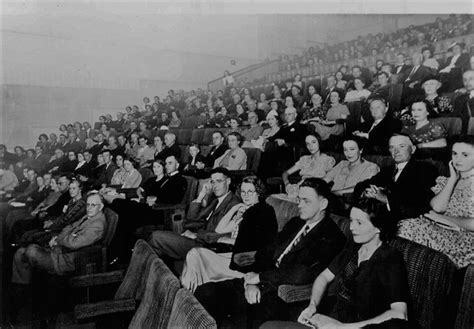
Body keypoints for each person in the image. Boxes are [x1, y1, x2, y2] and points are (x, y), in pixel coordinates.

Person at [194, 178, 346, 328]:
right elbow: (268, 251)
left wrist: (259, 279)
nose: (299, 205)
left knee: (233, 320)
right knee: (203, 292)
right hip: (261, 282)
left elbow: (301, 273)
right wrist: (252, 279)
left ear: (323, 204)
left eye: (306, 201)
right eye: (299, 199)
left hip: (281, 295)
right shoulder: (296, 223)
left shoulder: (332, 236)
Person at [264, 199, 409, 329]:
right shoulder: (354, 247)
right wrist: (312, 306)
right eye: (351, 220)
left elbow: (399, 313)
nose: (352, 227)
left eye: (359, 223)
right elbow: (323, 277)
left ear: (379, 228)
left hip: (361, 327)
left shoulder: (390, 259)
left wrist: (343, 327)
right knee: (268, 326)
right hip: (333, 320)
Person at [181, 176, 277, 292]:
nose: (246, 195)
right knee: (195, 254)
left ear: (258, 193)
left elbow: (259, 244)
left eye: (250, 192)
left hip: (245, 264)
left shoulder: (263, 211)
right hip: (234, 254)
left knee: (194, 255)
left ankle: (188, 295)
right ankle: (189, 294)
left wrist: (226, 240)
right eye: (243, 192)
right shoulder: (246, 210)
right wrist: (235, 208)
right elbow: (220, 229)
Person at [398, 136, 474, 268]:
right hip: (440, 229)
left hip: (464, 240)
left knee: (407, 229)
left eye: (465, 155)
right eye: (454, 154)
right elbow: (437, 207)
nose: (458, 159)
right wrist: (452, 179)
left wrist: (442, 218)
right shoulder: (446, 181)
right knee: (404, 226)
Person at [11, 192, 106, 285]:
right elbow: (68, 227)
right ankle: (22, 290)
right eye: (88, 204)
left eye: (93, 205)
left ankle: (33, 289)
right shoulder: (88, 216)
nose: (89, 208)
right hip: (59, 251)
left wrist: (58, 240)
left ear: (101, 207)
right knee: (19, 253)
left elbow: (74, 244)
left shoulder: (98, 225)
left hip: (66, 260)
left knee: (31, 251)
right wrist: (66, 237)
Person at [147, 168, 240, 261]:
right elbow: (192, 219)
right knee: (156, 250)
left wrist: (196, 235)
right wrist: (200, 196)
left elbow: (225, 235)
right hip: (198, 240)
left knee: (156, 237)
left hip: (208, 246)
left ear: (228, 181)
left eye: (219, 181)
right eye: (212, 182)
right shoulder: (215, 200)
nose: (215, 186)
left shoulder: (234, 204)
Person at [107, 156, 187, 264]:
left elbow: (173, 199)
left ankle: (117, 253)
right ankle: (118, 251)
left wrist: (155, 199)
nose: (167, 166)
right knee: (118, 203)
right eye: (166, 163)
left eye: (170, 163)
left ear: (177, 165)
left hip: (160, 212)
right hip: (149, 208)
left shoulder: (180, 180)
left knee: (124, 211)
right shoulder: (167, 178)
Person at [354, 134, 438, 221]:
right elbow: (360, 186)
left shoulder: (425, 169)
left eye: (402, 146)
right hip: (380, 216)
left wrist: (386, 198)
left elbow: (419, 200)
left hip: (407, 220)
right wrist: (368, 191)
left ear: (412, 149)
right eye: (392, 147)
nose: (396, 151)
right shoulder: (387, 170)